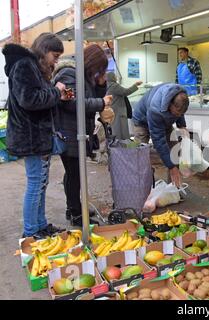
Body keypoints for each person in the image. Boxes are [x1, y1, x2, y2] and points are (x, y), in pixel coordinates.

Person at [2, 33, 70, 238]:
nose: (56, 61)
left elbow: (39, 99)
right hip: (31, 137)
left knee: (40, 183)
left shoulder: (32, 67)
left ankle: (40, 225)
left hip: (38, 138)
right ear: (43, 50)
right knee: (35, 184)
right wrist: (57, 92)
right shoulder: (25, 65)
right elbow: (29, 100)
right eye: (55, 55)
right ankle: (31, 231)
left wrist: (59, 96)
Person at [52, 44, 115, 227]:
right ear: (93, 63)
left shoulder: (84, 77)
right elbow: (72, 103)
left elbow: (90, 96)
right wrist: (101, 103)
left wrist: (102, 85)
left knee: (74, 174)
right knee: (74, 175)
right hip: (69, 133)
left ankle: (73, 208)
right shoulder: (69, 74)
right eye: (100, 69)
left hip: (77, 133)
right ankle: (76, 213)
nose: (100, 72)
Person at [132, 83, 190, 187]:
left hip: (164, 121)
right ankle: (142, 188)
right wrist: (171, 166)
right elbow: (159, 141)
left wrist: (182, 125)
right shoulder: (156, 109)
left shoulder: (179, 95)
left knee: (175, 150)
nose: (179, 115)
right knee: (141, 154)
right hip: (141, 121)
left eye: (181, 113)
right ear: (170, 104)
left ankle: (173, 187)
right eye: (177, 113)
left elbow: (180, 111)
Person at [106, 72, 142, 140]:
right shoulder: (114, 86)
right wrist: (136, 85)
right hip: (119, 112)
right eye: (115, 76)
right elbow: (126, 92)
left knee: (115, 129)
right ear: (112, 77)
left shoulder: (107, 86)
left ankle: (116, 146)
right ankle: (123, 147)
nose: (116, 78)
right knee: (121, 131)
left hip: (113, 110)